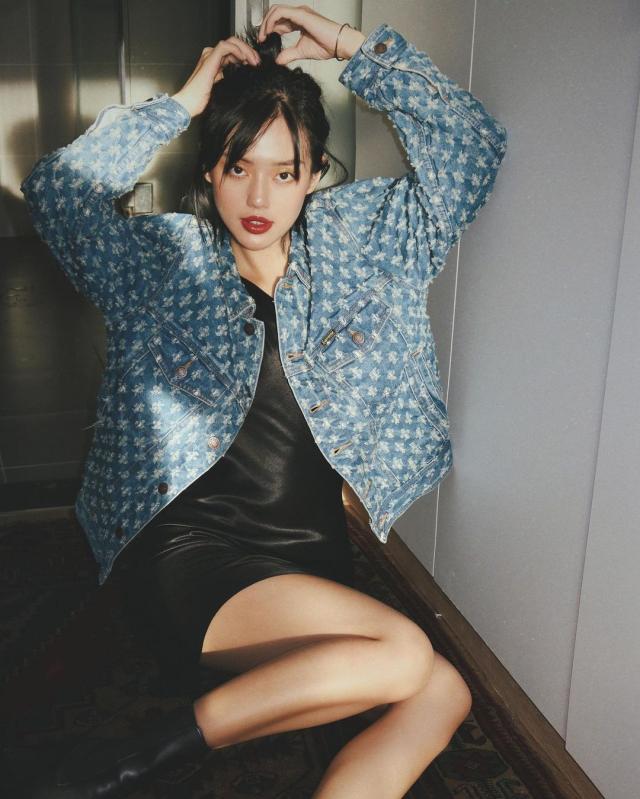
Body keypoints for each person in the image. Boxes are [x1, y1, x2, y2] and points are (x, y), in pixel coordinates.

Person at [27, 5, 507, 797]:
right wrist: (183, 102)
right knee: (403, 655)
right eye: (237, 165)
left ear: (315, 174)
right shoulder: (161, 262)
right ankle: (131, 760)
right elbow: (56, 195)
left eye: (285, 171)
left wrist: (350, 47)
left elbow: (471, 148)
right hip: (194, 554)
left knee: (443, 691)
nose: (259, 194)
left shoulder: (365, 244)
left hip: (310, 559)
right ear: (208, 170)